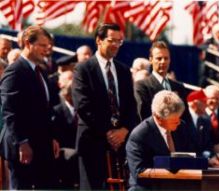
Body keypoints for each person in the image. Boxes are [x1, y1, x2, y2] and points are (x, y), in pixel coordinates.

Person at [72, 23, 138, 190]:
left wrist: (123, 131)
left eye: (119, 41)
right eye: (111, 40)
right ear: (99, 41)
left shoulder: (123, 70)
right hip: (92, 142)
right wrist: (109, 132)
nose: (116, 45)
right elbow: (83, 106)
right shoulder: (83, 69)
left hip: (121, 145)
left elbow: (131, 105)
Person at [0, 26, 60, 189]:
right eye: (42, 46)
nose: (46, 51)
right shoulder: (14, 71)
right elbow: (9, 111)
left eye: (48, 46)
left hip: (42, 145)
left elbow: (46, 108)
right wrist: (22, 142)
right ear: (27, 43)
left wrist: (52, 137)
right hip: (22, 148)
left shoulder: (41, 71)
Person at [126, 90, 192, 191]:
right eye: (174, 119)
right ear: (158, 117)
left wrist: (209, 161)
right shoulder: (140, 135)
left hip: (176, 184)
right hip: (148, 187)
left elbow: (191, 152)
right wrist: (169, 174)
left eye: (179, 117)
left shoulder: (181, 127)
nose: (178, 122)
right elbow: (139, 173)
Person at [134, 41, 189, 121]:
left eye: (166, 58)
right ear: (151, 60)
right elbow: (143, 117)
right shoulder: (142, 86)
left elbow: (186, 118)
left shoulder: (179, 87)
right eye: (159, 58)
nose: (163, 61)